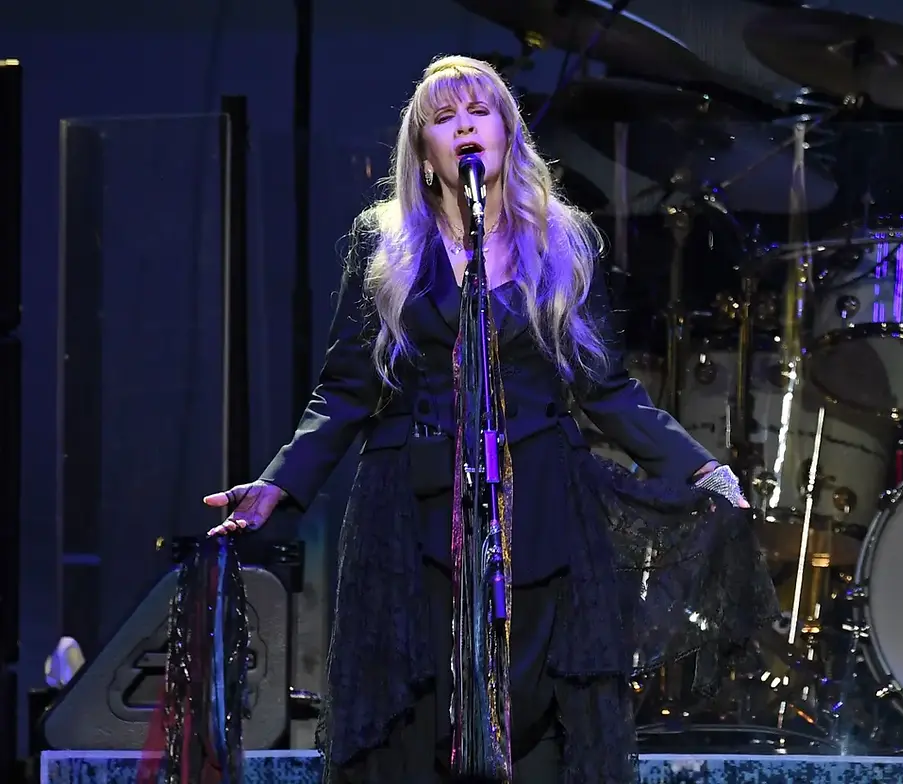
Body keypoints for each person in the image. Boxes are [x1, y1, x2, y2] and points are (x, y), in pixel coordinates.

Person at [204, 55, 777, 784]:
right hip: (410, 513)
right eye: (444, 118)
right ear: (425, 152)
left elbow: (606, 387)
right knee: (417, 716)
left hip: (539, 505)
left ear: (508, 134)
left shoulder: (564, 242)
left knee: (534, 707)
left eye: (479, 112)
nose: (464, 127)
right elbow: (346, 389)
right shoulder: (384, 243)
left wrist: (700, 468)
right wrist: (279, 484)